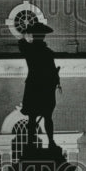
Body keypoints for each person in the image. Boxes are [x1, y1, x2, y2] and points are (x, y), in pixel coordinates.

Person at [17, 21, 61, 149]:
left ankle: (33, 143)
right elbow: (52, 71)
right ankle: (50, 142)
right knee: (46, 116)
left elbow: (21, 42)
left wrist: (27, 31)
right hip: (43, 87)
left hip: (35, 86)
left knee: (35, 117)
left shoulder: (30, 49)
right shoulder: (46, 52)